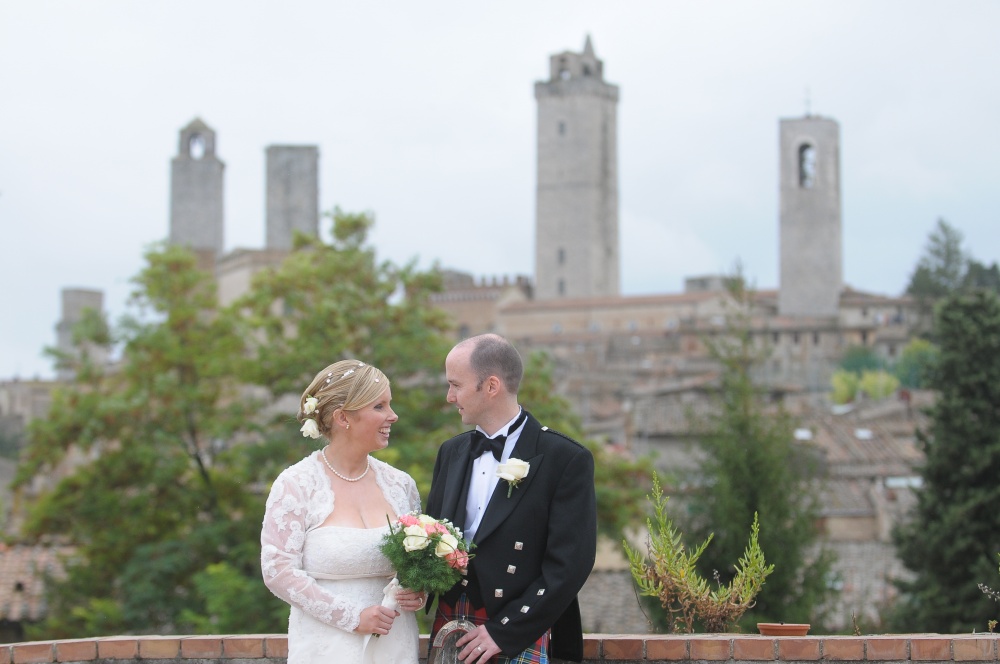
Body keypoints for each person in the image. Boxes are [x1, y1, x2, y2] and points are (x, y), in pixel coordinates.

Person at [426, 334, 598, 664]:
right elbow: (433, 536)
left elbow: (570, 564)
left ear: (491, 386)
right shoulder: (451, 452)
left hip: (518, 628)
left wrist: (505, 631)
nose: (449, 397)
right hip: (451, 623)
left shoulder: (564, 459)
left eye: (456, 385)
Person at [261, 360, 427, 664]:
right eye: (380, 406)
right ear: (343, 418)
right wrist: (353, 617)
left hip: (395, 643)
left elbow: (415, 566)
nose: (393, 415)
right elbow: (278, 572)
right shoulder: (297, 484)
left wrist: (417, 591)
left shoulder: (401, 485)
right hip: (327, 646)